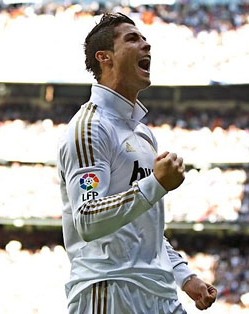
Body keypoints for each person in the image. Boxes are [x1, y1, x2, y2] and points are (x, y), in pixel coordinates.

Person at [57, 12, 217, 314]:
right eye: (133, 38)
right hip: (111, 290)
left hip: (160, 293)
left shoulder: (142, 134)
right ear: (104, 57)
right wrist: (155, 184)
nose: (147, 45)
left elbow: (144, 228)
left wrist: (185, 276)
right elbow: (88, 219)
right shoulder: (89, 129)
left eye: (144, 38)